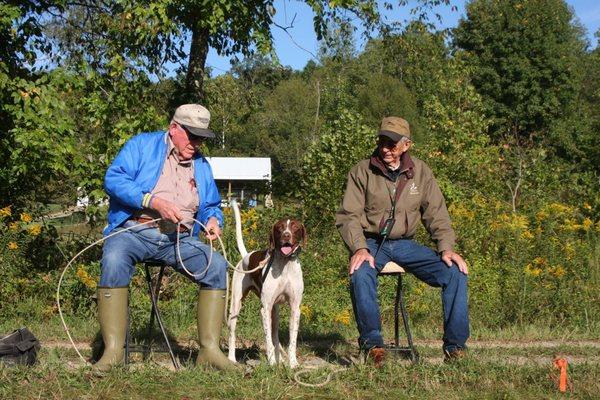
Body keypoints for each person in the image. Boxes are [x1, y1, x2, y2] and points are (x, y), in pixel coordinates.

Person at [94, 104, 237, 372]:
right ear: (174, 128)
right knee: (113, 258)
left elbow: (211, 206)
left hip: (180, 241)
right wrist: (154, 202)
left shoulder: (202, 165)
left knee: (216, 267)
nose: (197, 143)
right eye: (192, 136)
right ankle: (113, 351)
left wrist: (214, 220)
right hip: (134, 231)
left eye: (202, 138)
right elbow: (114, 179)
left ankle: (209, 351)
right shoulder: (141, 145)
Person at [335, 116, 469, 363]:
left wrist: (446, 248)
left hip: (407, 245)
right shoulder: (361, 171)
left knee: (455, 272)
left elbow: (436, 213)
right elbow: (349, 215)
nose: (386, 148)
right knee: (360, 273)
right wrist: (359, 248)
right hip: (372, 243)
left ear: (406, 145)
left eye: (392, 144)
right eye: (382, 142)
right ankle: (373, 346)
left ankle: (455, 348)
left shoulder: (421, 172)